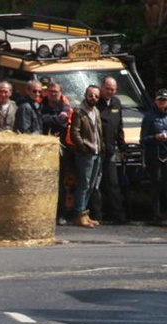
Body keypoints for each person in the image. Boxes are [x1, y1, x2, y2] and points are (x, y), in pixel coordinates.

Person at [69, 85, 104, 228]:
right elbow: (75, 133)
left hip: (97, 152)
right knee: (84, 184)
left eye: (96, 96)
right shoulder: (79, 112)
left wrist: (101, 148)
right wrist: (83, 147)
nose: (93, 98)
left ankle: (85, 213)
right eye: (91, 95)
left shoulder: (96, 111)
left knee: (91, 186)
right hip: (86, 154)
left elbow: (98, 132)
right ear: (85, 95)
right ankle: (78, 214)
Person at [96, 76, 129, 224]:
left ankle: (118, 216)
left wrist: (122, 147)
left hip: (111, 150)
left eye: (113, 89)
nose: (110, 92)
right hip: (95, 150)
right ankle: (97, 215)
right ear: (101, 87)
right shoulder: (95, 102)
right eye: (108, 89)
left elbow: (119, 126)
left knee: (113, 184)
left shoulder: (117, 103)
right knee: (95, 185)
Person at [40, 81, 73, 224]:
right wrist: (57, 118)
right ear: (47, 92)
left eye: (56, 91)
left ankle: (60, 215)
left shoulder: (66, 106)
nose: (53, 94)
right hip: (43, 151)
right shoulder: (42, 105)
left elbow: (63, 123)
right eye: (51, 91)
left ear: (61, 93)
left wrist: (52, 120)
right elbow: (40, 120)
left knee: (60, 184)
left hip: (61, 151)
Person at [140, 88, 167, 223]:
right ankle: (155, 214)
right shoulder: (149, 117)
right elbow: (143, 139)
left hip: (165, 153)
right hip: (154, 155)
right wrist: (155, 137)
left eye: (165, 101)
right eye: (161, 100)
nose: (163, 103)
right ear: (156, 101)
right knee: (155, 184)